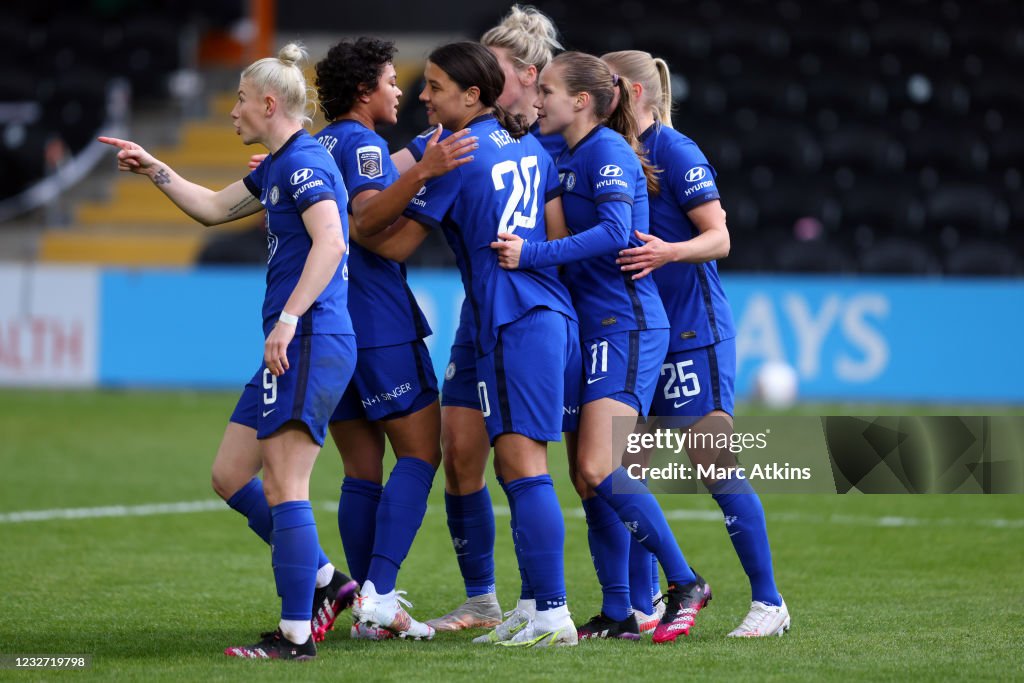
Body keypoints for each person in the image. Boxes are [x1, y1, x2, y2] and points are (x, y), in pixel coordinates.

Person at [100, 43, 357, 659]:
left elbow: (331, 242)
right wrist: (155, 168)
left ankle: (297, 635)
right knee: (229, 474)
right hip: (296, 342)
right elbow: (214, 208)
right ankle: (325, 580)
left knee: (286, 485)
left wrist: (289, 320)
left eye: (239, 100)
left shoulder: (303, 167)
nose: (232, 111)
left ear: (269, 104)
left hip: (310, 338)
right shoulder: (280, 165)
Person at [356, 40, 582, 648]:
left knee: (522, 467)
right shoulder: (527, 144)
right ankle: (534, 605)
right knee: (511, 466)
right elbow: (555, 232)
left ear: (472, 95)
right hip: (543, 313)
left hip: (512, 318)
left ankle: (553, 614)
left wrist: (343, 228)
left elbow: (392, 243)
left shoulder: (455, 155)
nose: (424, 96)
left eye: (433, 86)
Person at [491, 50, 710, 644]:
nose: (540, 100)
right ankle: (620, 612)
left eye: (551, 92)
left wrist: (529, 254)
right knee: (588, 479)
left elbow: (616, 233)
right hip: (592, 326)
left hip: (628, 325)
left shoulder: (609, 152)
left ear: (582, 101)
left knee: (598, 466)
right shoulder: (570, 155)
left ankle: (686, 582)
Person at [606, 49, 790, 637]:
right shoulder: (615, 152)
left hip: (694, 333)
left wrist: (668, 251)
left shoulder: (676, 151)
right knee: (626, 470)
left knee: (714, 465)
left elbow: (719, 238)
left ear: (633, 92)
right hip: (645, 334)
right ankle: (641, 606)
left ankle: (769, 603)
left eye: (606, 87)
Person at [311, 36, 476, 641]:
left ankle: (362, 604)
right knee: (421, 452)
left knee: (360, 469)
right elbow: (368, 215)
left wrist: (421, 161)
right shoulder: (363, 142)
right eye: (389, 80)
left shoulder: (319, 145)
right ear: (363, 91)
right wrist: (430, 172)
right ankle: (378, 594)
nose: (400, 90)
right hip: (378, 320)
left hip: (328, 322)